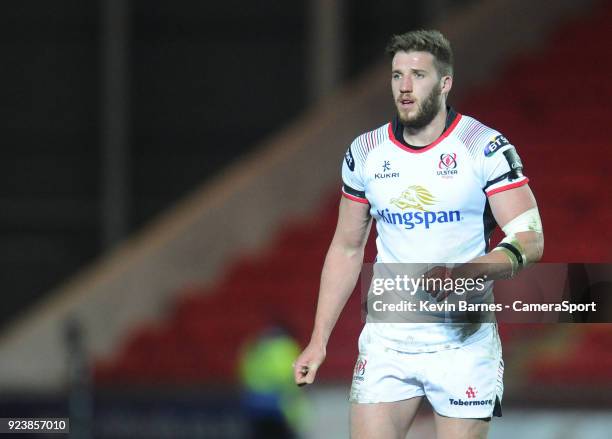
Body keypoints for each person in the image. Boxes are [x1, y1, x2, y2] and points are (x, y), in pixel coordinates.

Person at [293, 29, 544, 439]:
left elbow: (530, 240)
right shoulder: (366, 153)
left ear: (445, 83)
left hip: (463, 343)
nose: (405, 87)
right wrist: (318, 340)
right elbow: (346, 247)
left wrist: (464, 272)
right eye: (396, 76)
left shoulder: (483, 147)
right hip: (387, 342)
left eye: (417, 75)